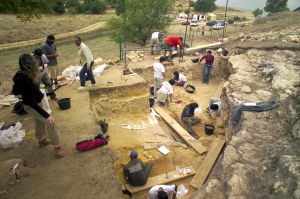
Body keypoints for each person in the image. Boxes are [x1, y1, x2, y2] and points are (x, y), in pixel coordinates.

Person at [12, 54, 65, 158]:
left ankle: (41, 140)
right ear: (31, 64)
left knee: (39, 122)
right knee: (50, 122)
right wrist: (46, 115)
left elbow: (14, 90)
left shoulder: (22, 74)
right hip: (32, 105)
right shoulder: (24, 81)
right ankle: (57, 146)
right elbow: (31, 103)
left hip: (35, 102)